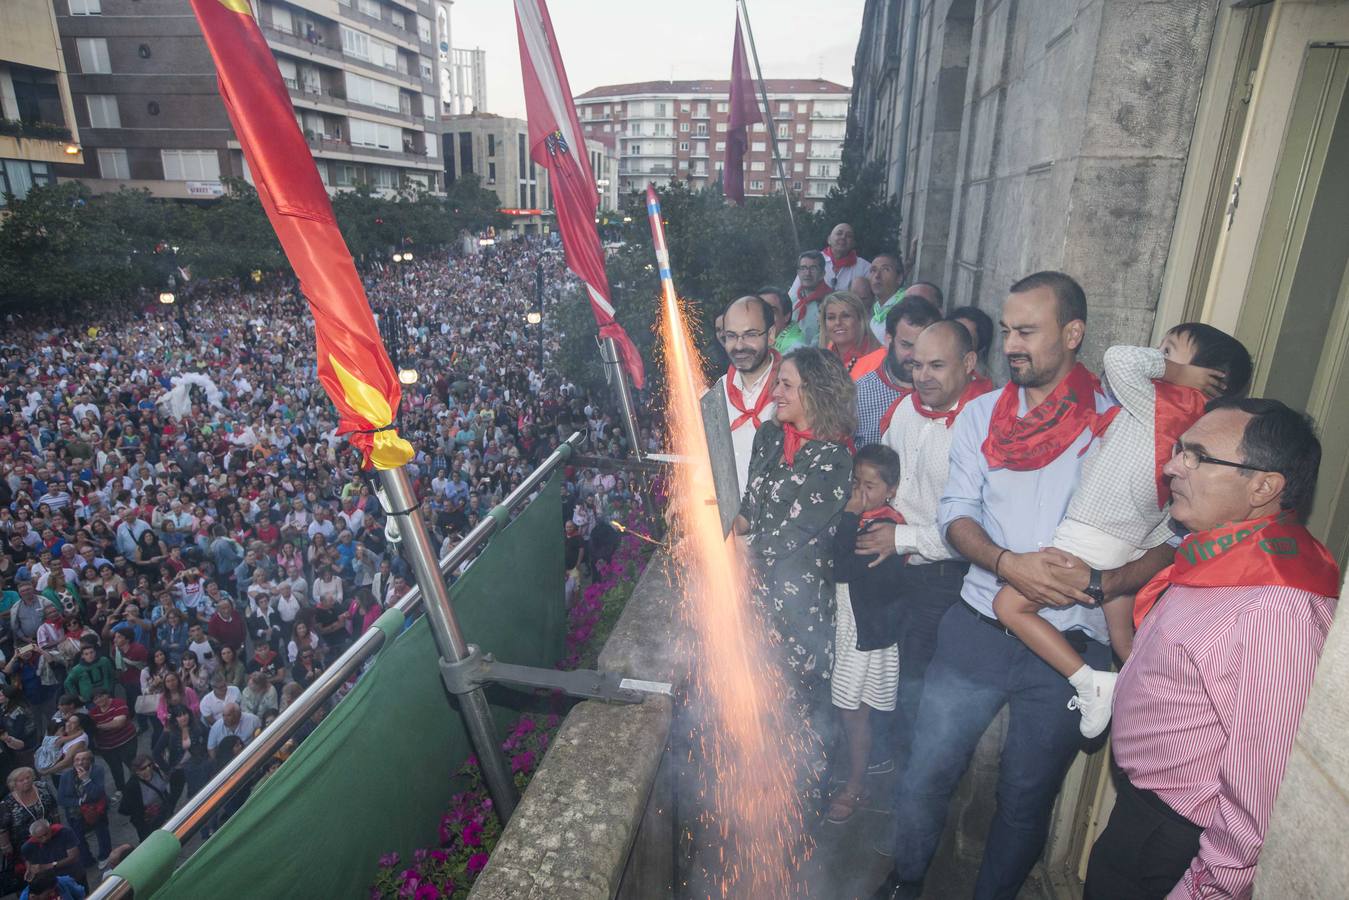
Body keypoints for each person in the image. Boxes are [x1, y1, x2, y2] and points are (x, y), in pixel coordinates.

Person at [875, 272, 1172, 900]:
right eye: (1006, 329)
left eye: (1027, 330)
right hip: (979, 629)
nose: (1012, 343)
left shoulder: (1118, 423)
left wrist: (1110, 579)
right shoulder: (982, 414)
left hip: (1071, 652)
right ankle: (905, 882)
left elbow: (1172, 535)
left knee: (1023, 800)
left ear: (1072, 333)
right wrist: (1009, 564)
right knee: (926, 772)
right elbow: (956, 514)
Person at [1084, 399, 1340, 900]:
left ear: (1263, 486)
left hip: (1178, 845)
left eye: (1197, 456)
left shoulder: (1276, 606)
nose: (1171, 466)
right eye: (1180, 450)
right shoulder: (1217, 553)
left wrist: (1206, 889)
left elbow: (1262, 784)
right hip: (1141, 819)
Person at [992, 323, 1252, 736]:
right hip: (1128, 541)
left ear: (1203, 377)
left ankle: (1089, 682)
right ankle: (1152, 707)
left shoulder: (1159, 401)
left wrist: (1177, 373)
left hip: (1096, 529)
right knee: (1123, 641)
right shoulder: (1192, 426)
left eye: (1168, 350)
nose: (1158, 356)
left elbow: (1118, 359)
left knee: (1008, 605)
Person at [864, 321, 990, 777]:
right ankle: (886, 769)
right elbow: (892, 486)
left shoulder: (984, 424)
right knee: (888, 674)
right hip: (896, 568)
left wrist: (903, 538)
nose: (923, 376)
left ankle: (915, 785)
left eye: (938, 365)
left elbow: (980, 529)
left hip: (947, 581)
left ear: (969, 364)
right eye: (917, 365)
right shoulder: (904, 411)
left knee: (923, 688)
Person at [733, 347, 856, 798]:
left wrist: (733, 552)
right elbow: (751, 506)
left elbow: (788, 535)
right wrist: (729, 528)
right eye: (777, 382)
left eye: (786, 384)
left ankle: (803, 812)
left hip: (800, 616)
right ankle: (757, 800)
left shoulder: (835, 461)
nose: (776, 391)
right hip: (753, 601)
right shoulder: (768, 436)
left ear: (817, 393)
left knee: (800, 719)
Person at [826, 444, 907, 824]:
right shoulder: (868, 517)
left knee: (853, 710)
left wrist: (848, 515)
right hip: (854, 628)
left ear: (891, 489)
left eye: (870, 486)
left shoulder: (880, 526)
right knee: (852, 710)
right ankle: (860, 772)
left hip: (865, 635)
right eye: (855, 483)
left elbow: (839, 567)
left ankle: (856, 784)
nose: (860, 493)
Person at [700, 296, 779, 532]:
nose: (740, 345)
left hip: (780, 534)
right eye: (731, 336)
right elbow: (705, 460)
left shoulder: (793, 389)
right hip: (732, 533)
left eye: (751, 334)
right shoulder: (717, 394)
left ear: (771, 335)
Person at [854, 296, 942, 446]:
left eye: (923, 346)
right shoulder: (858, 395)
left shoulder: (946, 392)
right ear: (888, 340)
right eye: (906, 345)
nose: (915, 356)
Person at [790, 222, 873, 303]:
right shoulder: (812, 261)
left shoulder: (864, 267)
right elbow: (793, 294)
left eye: (849, 236)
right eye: (839, 233)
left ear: (853, 243)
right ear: (829, 239)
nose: (843, 237)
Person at [55, 749, 110, 870]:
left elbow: (97, 793)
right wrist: (79, 802)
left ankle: (105, 855)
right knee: (78, 837)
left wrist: (86, 780)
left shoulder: (97, 770)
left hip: (95, 808)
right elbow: (61, 799)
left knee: (101, 831)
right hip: (75, 811)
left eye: (84, 759)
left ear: (91, 761)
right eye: (77, 760)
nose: (80, 762)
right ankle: (87, 859)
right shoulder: (66, 775)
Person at [153, 705, 213, 808]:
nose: (184, 717)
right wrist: (167, 769)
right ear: (175, 719)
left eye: (185, 714)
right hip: (178, 769)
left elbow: (208, 735)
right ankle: (169, 816)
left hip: (196, 764)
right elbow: (156, 752)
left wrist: (204, 750)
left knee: (197, 791)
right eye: (179, 716)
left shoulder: (196, 725)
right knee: (175, 795)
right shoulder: (169, 732)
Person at [821, 292, 883, 380]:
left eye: (845, 316)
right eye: (831, 317)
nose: (838, 322)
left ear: (860, 320)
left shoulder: (880, 359)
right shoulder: (826, 354)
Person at [86, 688, 136, 796]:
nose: (99, 700)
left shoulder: (118, 703)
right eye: (95, 699)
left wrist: (98, 726)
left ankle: (139, 785)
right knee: (115, 769)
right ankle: (121, 789)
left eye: (101, 696)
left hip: (126, 741)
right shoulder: (93, 713)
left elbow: (119, 723)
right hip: (106, 747)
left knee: (132, 765)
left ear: (107, 695)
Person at [117, 756, 172, 840]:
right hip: (147, 823)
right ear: (136, 771)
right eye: (143, 768)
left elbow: (163, 790)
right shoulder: (132, 786)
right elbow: (124, 809)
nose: (148, 769)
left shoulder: (156, 771)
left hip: (163, 814)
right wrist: (145, 811)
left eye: (150, 765)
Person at [19, 819, 83, 889]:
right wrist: (29, 870)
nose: (44, 838)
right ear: (32, 836)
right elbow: (28, 860)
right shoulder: (28, 847)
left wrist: (49, 866)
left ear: (50, 828)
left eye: (46, 834)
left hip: (74, 875)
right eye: (40, 837)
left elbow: (74, 857)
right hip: (52, 884)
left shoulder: (64, 832)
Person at [790, 251, 832, 347]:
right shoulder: (793, 301)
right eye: (803, 268)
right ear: (798, 273)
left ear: (822, 273)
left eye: (813, 268)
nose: (807, 273)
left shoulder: (830, 303)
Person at [949, 305, 995, 382]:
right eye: (952, 333)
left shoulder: (982, 390)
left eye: (965, 338)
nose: (954, 341)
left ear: (979, 349)